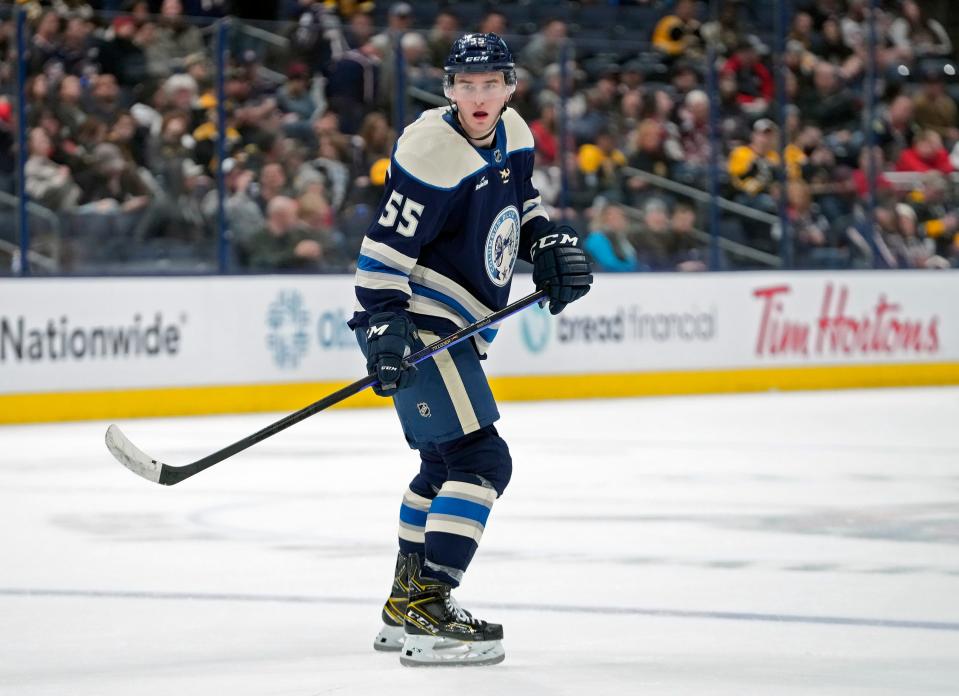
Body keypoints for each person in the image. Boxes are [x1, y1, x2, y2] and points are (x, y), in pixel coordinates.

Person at [347, 33, 592, 667]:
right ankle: (431, 605)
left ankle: (405, 606)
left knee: (439, 468)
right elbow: (382, 254)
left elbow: (523, 206)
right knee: (482, 461)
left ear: (511, 86)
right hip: (426, 325)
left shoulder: (515, 133)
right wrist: (384, 327)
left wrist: (544, 246)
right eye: (466, 84)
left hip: (461, 327)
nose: (479, 97)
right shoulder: (430, 151)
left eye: (491, 84)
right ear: (448, 89)